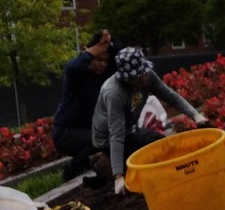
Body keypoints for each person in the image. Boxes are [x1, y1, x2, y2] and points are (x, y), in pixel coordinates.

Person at [91, 46, 211, 196]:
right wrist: (118, 177)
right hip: (107, 138)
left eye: (144, 73)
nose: (143, 78)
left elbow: (170, 96)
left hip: (131, 129)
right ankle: (104, 164)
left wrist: (196, 116)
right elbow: (116, 134)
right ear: (126, 77)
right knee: (148, 159)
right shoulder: (114, 93)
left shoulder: (147, 76)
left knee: (160, 144)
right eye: (138, 76)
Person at [51, 30, 115, 183]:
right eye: (98, 59)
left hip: (86, 130)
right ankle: (71, 171)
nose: (102, 64)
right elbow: (71, 67)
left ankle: (97, 175)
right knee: (99, 141)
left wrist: (110, 43)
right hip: (66, 132)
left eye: (105, 61)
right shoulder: (78, 75)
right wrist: (90, 52)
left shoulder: (102, 78)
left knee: (114, 139)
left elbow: (117, 59)